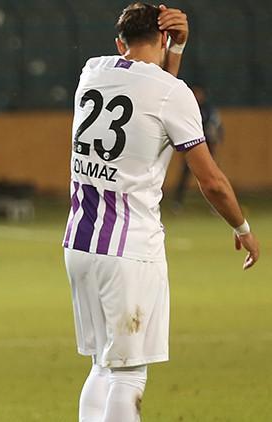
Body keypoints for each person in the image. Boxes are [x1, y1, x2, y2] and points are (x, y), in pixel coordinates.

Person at [62, 3, 259, 421]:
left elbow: (151, 91)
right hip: (129, 248)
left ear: (120, 44)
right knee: (129, 374)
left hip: (80, 243)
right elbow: (211, 181)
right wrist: (241, 226)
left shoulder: (92, 71)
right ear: (165, 38)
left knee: (102, 365)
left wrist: (174, 51)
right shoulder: (173, 93)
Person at [173, 84, 225, 209]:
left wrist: (217, 140)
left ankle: (216, 205)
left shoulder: (209, 110)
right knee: (185, 175)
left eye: (198, 93)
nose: (197, 96)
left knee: (211, 177)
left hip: (207, 146)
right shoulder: (188, 109)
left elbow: (218, 127)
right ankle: (178, 201)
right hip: (191, 147)